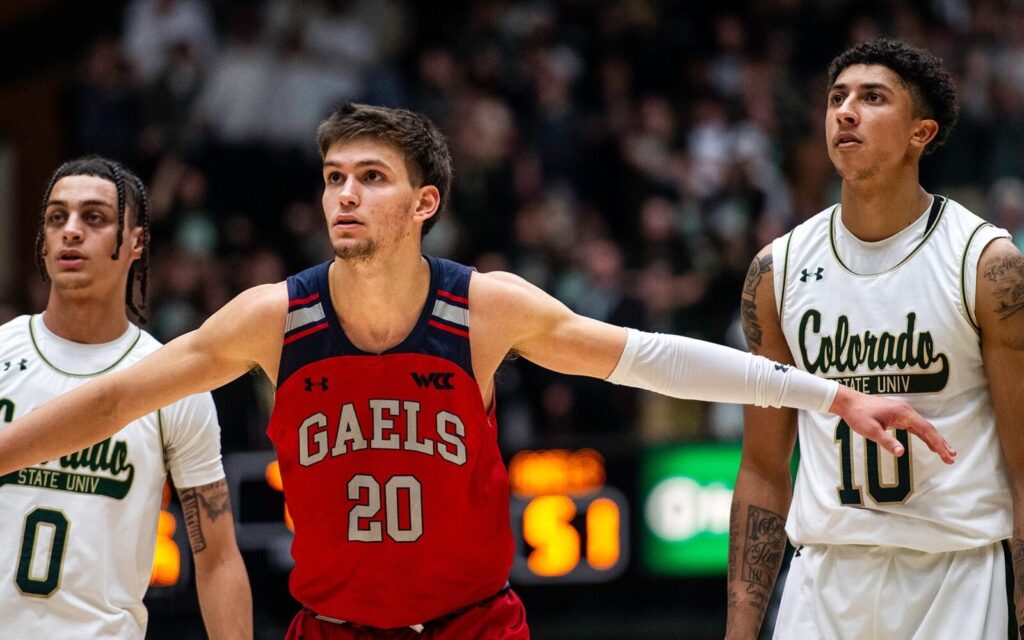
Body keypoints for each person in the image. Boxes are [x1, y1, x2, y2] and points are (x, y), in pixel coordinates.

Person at [0, 105, 954, 639]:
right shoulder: (272, 317)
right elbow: (117, 397)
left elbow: (651, 361)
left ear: (424, 204)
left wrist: (826, 392)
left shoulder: (482, 307)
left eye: (368, 177)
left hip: (474, 628)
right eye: (333, 176)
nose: (343, 194)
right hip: (330, 631)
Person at [726, 38, 1024, 640]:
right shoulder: (776, 272)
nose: (845, 111)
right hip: (824, 578)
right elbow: (762, 467)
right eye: (837, 97)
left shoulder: (986, 265)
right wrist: (739, 631)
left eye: (872, 97)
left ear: (921, 132)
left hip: (957, 576)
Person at [0, 157, 252, 639]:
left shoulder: (172, 382)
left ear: (136, 241)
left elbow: (217, 558)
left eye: (93, 218)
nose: (71, 231)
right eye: (57, 217)